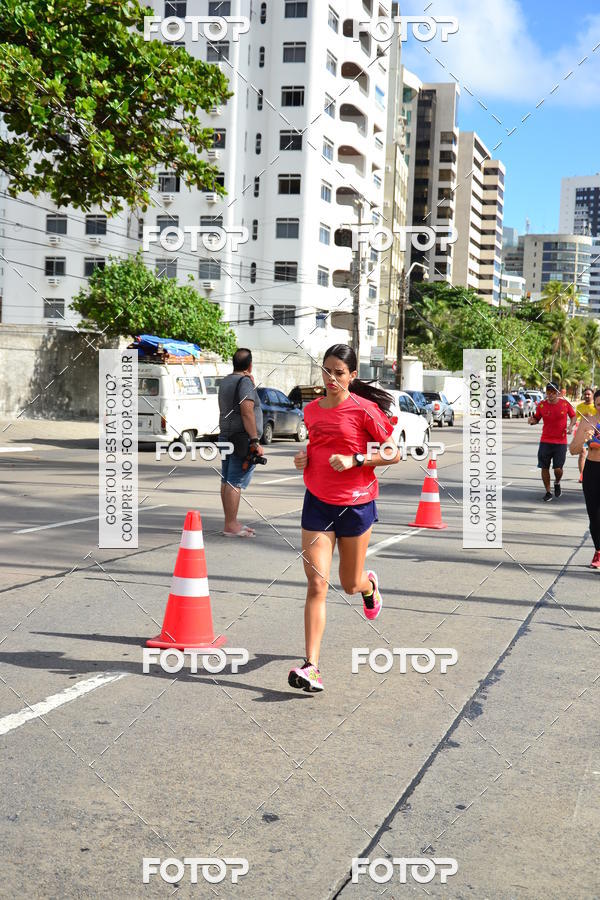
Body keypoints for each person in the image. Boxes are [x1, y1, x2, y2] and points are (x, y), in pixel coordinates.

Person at [288, 344, 400, 692]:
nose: (331, 378)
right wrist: (304, 458)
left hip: (356, 504)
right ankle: (312, 666)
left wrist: (357, 460)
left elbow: (393, 452)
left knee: (349, 584)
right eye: (327, 370)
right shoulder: (311, 410)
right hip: (318, 503)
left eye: (339, 372)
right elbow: (316, 445)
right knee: (317, 583)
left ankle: (369, 586)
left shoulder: (364, 410)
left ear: (352, 375)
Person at [217, 348, 264, 537]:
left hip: (226, 435)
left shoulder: (226, 381)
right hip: (241, 439)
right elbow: (247, 411)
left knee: (227, 479)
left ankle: (230, 522)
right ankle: (231, 525)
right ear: (250, 365)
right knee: (235, 480)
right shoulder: (244, 382)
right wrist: (254, 440)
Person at [529, 382, 576, 501]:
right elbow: (536, 418)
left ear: (557, 392)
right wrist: (532, 421)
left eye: (553, 392)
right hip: (545, 441)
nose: (550, 394)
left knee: (558, 469)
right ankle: (548, 492)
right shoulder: (542, 405)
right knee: (544, 467)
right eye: (548, 392)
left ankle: (557, 482)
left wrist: (571, 426)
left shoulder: (565, 404)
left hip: (561, 442)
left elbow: (573, 416)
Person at [569, 388, 600, 568]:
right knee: (594, 515)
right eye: (599, 404)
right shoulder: (588, 422)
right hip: (592, 471)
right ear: (594, 405)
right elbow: (573, 450)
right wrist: (585, 440)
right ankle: (598, 550)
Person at [575, 387, 597, 483]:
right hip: (583, 433)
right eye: (585, 394)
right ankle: (582, 476)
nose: (587, 396)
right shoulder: (579, 407)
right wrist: (570, 426)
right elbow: (575, 418)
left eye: (589, 394)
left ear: (593, 395)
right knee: (583, 453)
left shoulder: (596, 406)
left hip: (595, 433)